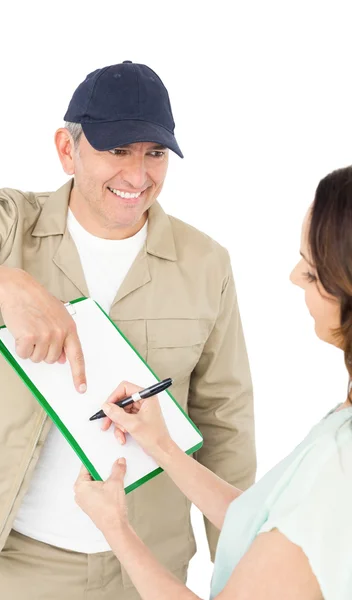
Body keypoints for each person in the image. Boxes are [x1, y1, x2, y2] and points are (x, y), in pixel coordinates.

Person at [0, 61, 256, 600]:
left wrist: (242, 565)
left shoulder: (207, 263)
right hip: (23, 557)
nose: (138, 177)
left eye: (155, 153)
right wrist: (4, 283)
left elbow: (224, 421)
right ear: (68, 150)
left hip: (149, 566)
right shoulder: (7, 225)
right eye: (118, 151)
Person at [74, 165, 352, 600]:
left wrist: (115, 527)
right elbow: (264, 522)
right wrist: (162, 445)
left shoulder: (341, 464)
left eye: (314, 272)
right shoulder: (344, 422)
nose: (295, 276)